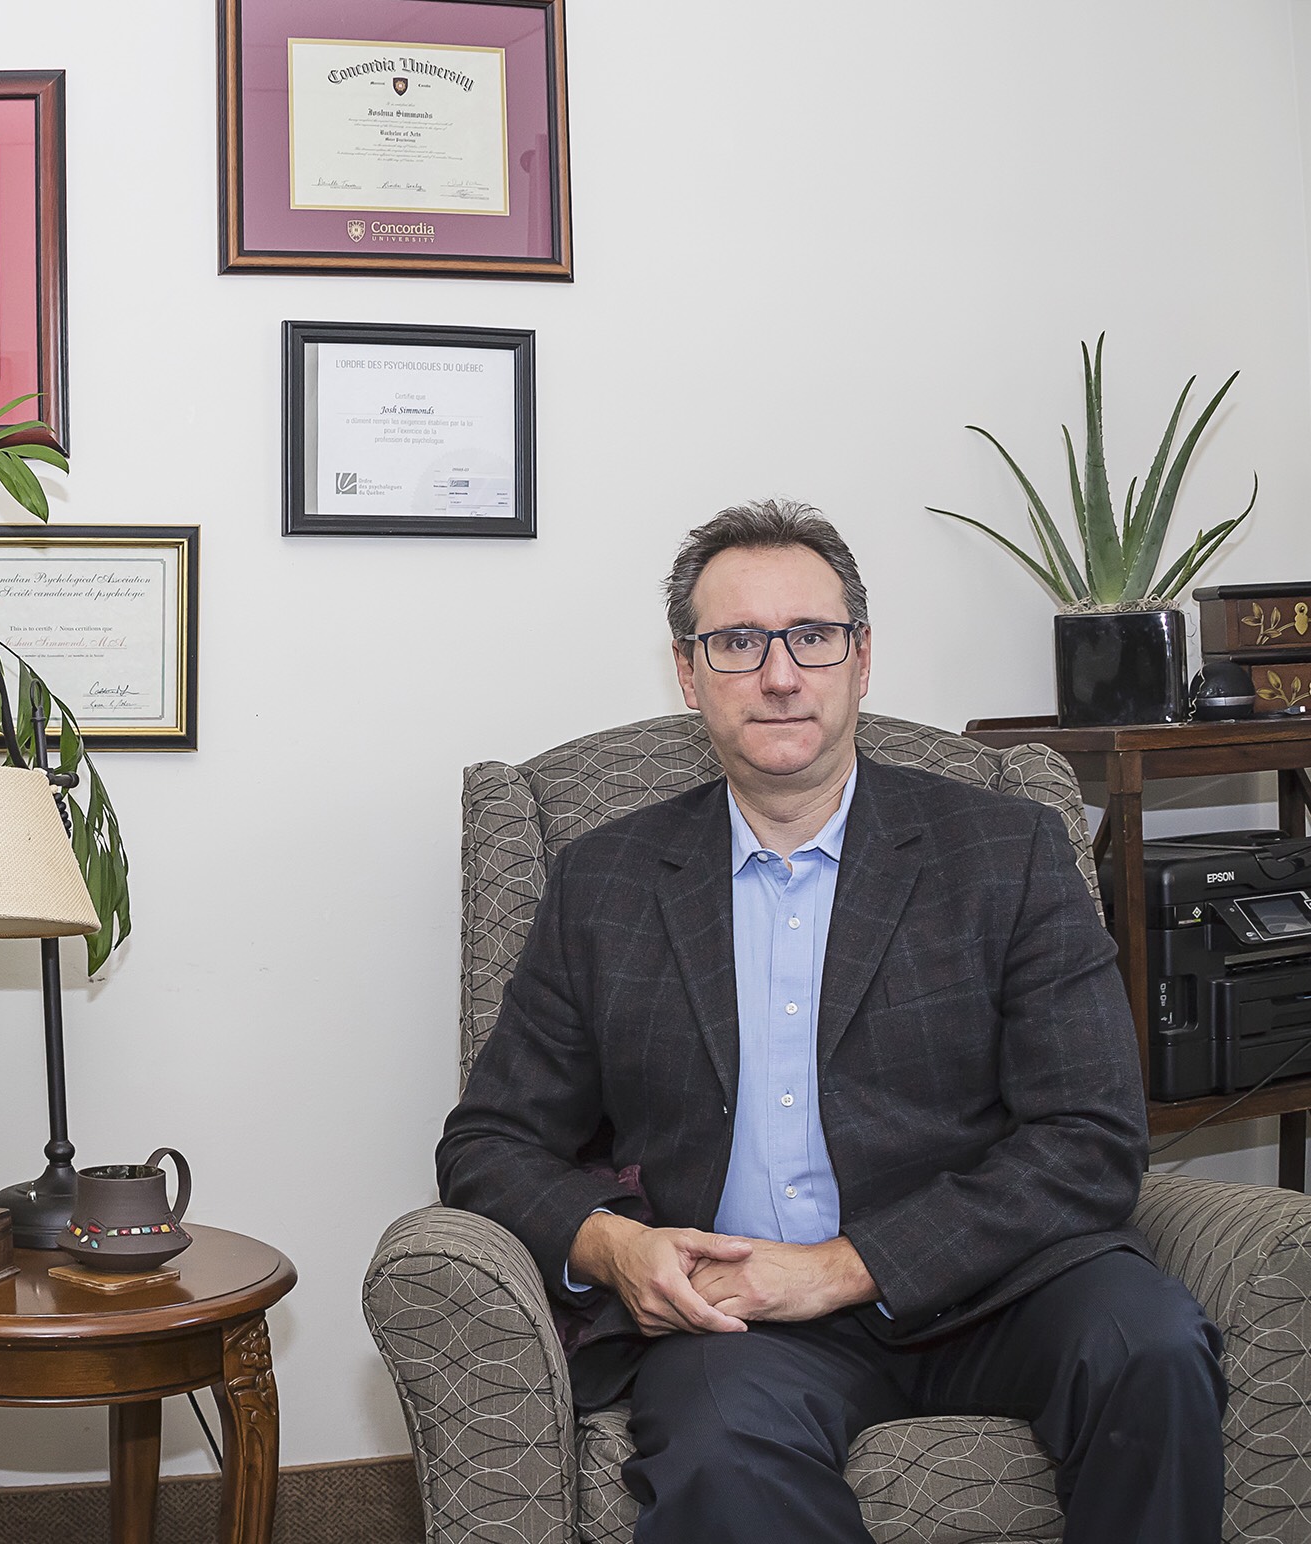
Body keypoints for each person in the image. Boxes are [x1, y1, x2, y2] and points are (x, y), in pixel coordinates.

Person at [436, 500, 1226, 1543]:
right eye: (736, 641)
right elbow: (489, 1141)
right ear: (688, 672)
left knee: (1154, 1344)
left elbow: (1090, 1139)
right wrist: (612, 1243)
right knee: (718, 1451)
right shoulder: (604, 883)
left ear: (860, 659)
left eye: (812, 635)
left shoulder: (1008, 849)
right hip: (740, 1313)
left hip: (1001, 1282)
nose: (778, 673)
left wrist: (845, 1264)